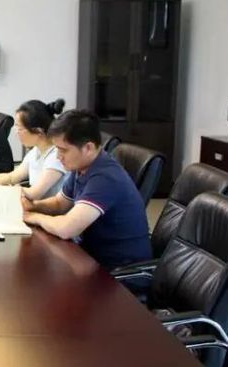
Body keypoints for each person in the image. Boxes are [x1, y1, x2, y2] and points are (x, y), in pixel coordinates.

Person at [22, 110, 152, 271]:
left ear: (88, 148)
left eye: (63, 150)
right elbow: (60, 203)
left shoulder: (105, 177)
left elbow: (67, 229)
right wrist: (32, 206)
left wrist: (33, 217)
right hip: (89, 256)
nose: (58, 157)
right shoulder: (82, 167)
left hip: (117, 271)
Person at [0, 99, 68, 200]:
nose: (16, 133)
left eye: (20, 128)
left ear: (38, 131)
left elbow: (34, 193)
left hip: (48, 210)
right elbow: (12, 177)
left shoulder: (56, 156)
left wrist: (8, 190)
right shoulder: (36, 151)